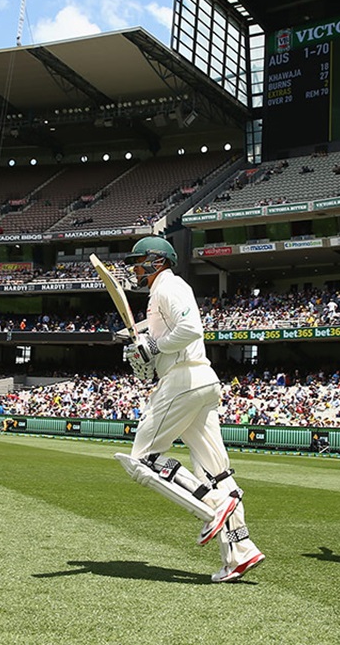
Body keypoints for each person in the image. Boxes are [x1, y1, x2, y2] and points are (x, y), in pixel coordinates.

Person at [111, 235, 264, 583]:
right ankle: (240, 551)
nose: (134, 268)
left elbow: (191, 328)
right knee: (219, 472)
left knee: (142, 459)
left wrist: (153, 347)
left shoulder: (169, 286)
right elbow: (167, 329)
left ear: (156, 261)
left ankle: (210, 503)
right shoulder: (162, 293)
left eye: (138, 262)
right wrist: (136, 336)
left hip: (182, 380)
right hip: (202, 380)